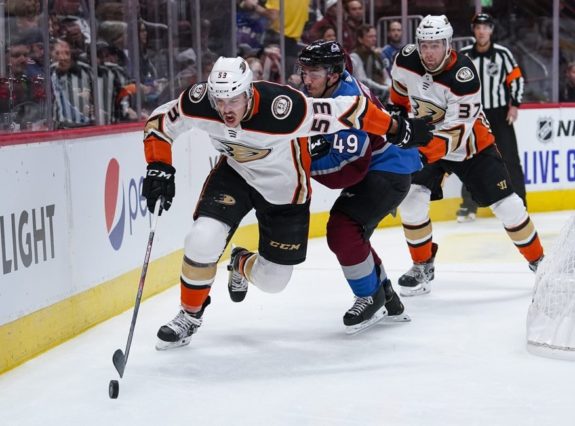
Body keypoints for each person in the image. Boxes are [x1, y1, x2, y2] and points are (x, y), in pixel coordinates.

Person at [140, 56, 434, 349]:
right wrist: (158, 164)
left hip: (286, 190)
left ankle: (240, 262)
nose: (226, 110)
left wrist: (397, 128)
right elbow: (160, 122)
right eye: (220, 101)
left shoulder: (285, 109)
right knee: (202, 238)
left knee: (273, 281)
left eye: (234, 100)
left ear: (249, 92)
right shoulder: (200, 102)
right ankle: (189, 317)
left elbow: (352, 109)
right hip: (236, 174)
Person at [390, 15, 544, 297]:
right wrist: (396, 121)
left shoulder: (464, 74)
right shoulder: (405, 59)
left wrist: (412, 157)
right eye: (423, 45)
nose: (427, 52)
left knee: (509, 206)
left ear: (448, 45)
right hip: (428, 140)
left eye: (435, 45)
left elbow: (455, 135)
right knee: (412, 200)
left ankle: (539, 262)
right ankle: (422, 264)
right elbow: (398, 94)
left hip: (471, 146)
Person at [296, 40, 419, 333]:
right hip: (384, 166)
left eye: (314, 72)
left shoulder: (348, 100)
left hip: (389, 169)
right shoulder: (332, 89)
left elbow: (348, 170)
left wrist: (302, 163)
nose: (306, 79)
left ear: (334, 74)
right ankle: (386, 295)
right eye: (304, 71)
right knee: (353, 233)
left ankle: (369, 296)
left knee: (343, 229)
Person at [457, 13, 527, 222]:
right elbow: (451, 83)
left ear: (491, 30)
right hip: (473, 115)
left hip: (498, 114)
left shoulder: (503, 54)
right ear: (473, 29)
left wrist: (514, 105)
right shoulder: (463, 55)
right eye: (478, 27)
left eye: (486, 27)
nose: (482, 31)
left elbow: (516, 79)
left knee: (510, 159)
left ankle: (521, 203)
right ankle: (469, 206)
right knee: (470, 159)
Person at [350, 24, 390, 101]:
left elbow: (386, 76)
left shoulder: (376, 55)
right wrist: (385, 88)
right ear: (360, 39)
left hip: (380, 95)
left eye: (375, 36)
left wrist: (390, 86)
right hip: (363, 98)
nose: (374, 39)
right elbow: (363, 81)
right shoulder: (354, 56)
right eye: (370, 36)